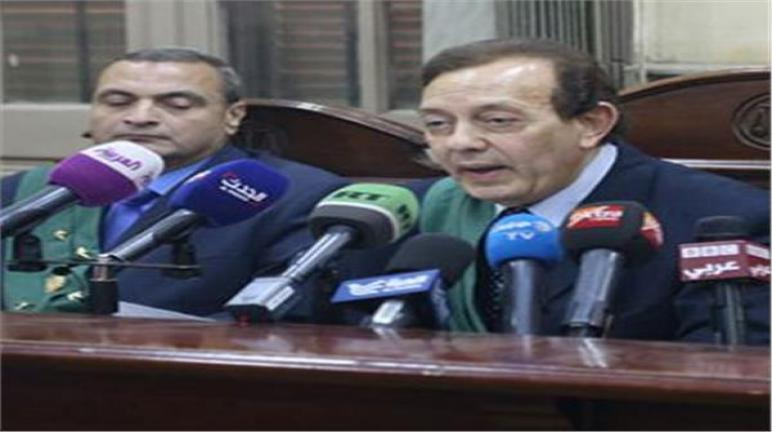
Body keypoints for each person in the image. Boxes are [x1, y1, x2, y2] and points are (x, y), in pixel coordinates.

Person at [416, 38, 769, 344]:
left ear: (591, 124)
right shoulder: (411, 214)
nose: (461, 143)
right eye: (437, 124)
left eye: (498, 121)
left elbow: (727, 370)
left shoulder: (730, 221)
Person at [1, 47, 348, 318]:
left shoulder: (294, 196)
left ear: (232, 116)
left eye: (177, 105)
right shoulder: (32, 192)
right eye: (118, 102)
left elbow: (290, 320)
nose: (140, 118)